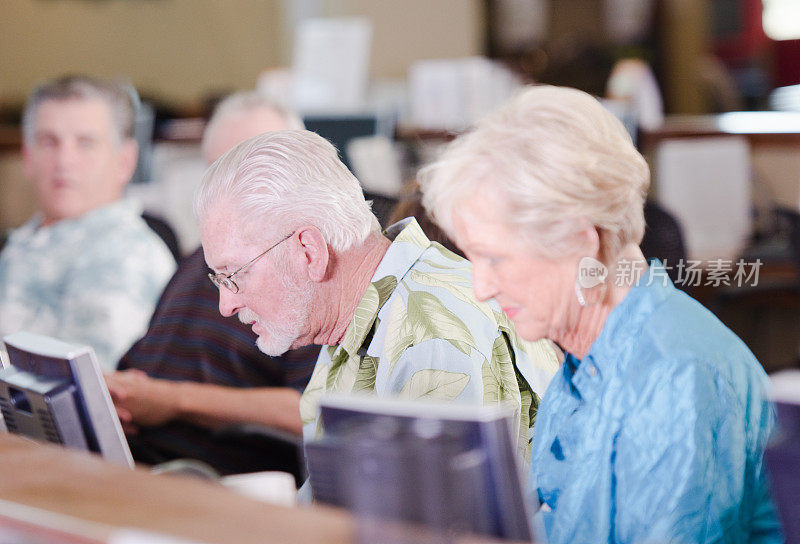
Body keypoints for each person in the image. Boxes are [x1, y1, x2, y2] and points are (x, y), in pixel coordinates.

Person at [418, 85, 782, 543]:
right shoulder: (583, 359)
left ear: (579, 243)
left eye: (495, 259)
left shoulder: (678, 377)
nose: (482, 287)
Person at [194, 129, 560, 476]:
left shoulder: (430, 335)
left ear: (309, 252)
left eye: (234, 274)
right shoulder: (352, 314)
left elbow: (435, 528)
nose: (225, 304)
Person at [106, 92, 320, 475]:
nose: (234, 194)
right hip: (122, 453)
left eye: (255, 174)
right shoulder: (194, 261)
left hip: (203, 474)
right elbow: (141, 362)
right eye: (218, 175)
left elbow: (313, 410)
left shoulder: (311, 272)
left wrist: (174, 400)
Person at [0, 75, 175, 371]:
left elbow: (78, 389)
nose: (64, 160)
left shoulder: (126, 254)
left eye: (86, 143)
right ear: (27, 157)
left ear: (125, 161)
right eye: (49, 142)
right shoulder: (23, 242)